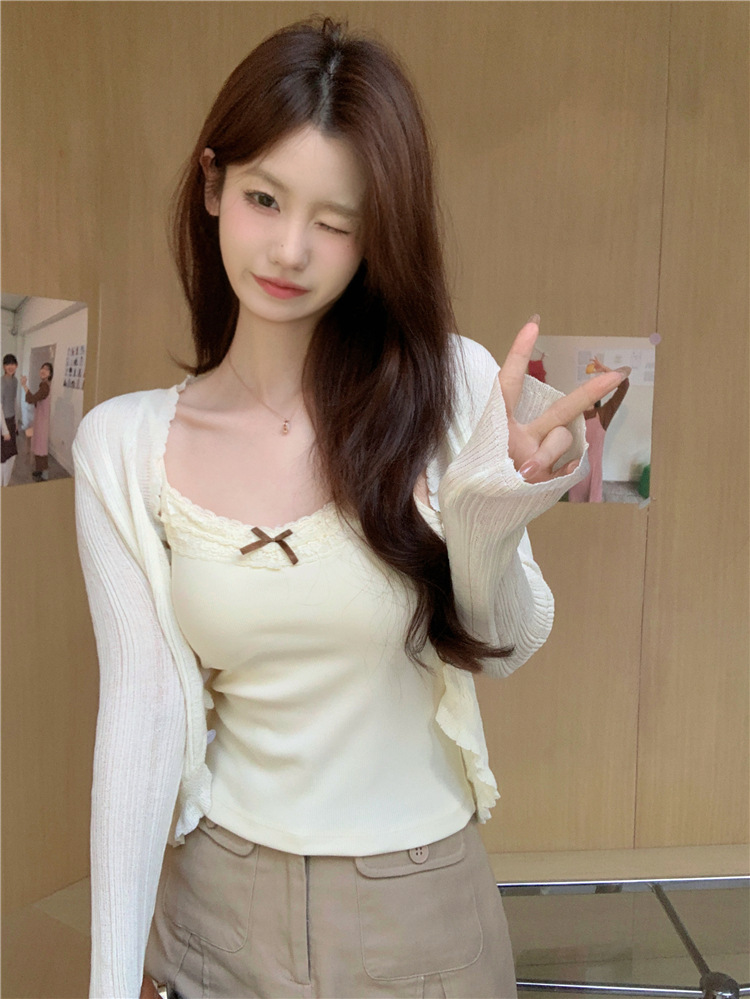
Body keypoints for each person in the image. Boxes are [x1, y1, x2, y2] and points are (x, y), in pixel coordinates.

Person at [72, 19, 626, 999]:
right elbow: (139, 723)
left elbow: (505, 643)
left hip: (419, 916)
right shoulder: (121, 445)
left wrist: (493, 513)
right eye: (264, 198)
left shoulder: (452, 385)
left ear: (377, 235)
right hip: (214, 911)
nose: (290, 249)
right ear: (212, 186)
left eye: (335, 220)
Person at [568, 358, 631, 503]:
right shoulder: (574, 416)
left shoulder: (602, 414)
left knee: (593, 505)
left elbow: (624, 385)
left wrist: (605, 370)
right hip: (576, 471)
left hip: (593, 472)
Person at [21, 361, 53, 481]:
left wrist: (24, 385)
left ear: (50, 374)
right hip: (41, 420)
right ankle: (39, 470)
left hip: (42, 421)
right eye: (42, 368)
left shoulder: (45, 386)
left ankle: (44, 474)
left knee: (41, 446)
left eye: (47, 369)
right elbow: (37, 400)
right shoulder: (44, 385)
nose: (43, 370)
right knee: (39, 444)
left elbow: (33, 399)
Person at [2, 353, 21, 485]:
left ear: (16, 366)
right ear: (4, 366)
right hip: (2, 421)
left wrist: (16, 421)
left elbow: (14, 401)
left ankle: (6, 482)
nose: (10, 366)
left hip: (11, 420)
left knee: (12, 454)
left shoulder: (15, 381)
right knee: (3, 456)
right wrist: (5, 430)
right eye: (8, 364)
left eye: (13, 364)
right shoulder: (1, 382)